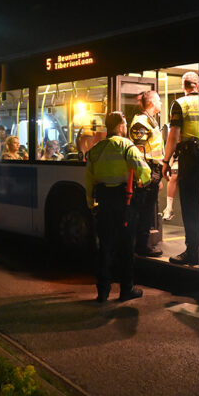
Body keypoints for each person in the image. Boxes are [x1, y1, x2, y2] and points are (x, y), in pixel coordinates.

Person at [86, 111, 151, 302]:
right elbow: (143, 171)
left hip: (104, 202)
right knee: (126, 247)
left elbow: (89, 180)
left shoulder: (95, 149)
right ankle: (126, 289)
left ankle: (103, 291)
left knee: (105, 247)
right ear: (121, 126)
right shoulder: (126, 146)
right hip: (124, 203)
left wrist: (91, 204)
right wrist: (143, 184)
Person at [162, 71, 199, 265]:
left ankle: (192, 251)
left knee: (190, 207)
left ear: (184, 85)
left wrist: (166, 160)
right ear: (198, 86)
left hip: (190, 160)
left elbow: (173, 136)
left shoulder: (179, 104)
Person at [129, 90, 164, 257]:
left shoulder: (150, 121)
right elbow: (139, 151)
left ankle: (141, 245)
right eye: (158, 100)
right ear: (151, 103)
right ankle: (140, 246)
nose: (161, 103)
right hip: (146, 172)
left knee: (147, 210)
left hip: (152, 171)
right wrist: (146, 177)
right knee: (142, 210)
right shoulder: (141, 123)